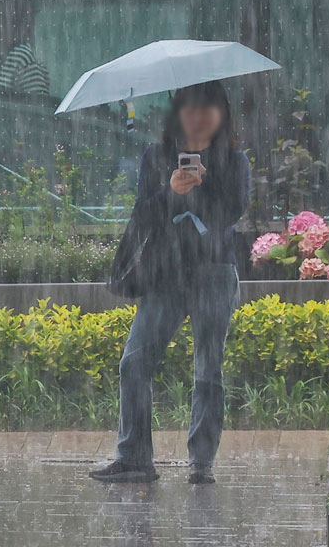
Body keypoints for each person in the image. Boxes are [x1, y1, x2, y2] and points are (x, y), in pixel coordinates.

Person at [89, 81, 250, 485]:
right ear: (177, 111)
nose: (200, 115)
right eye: (191, 107)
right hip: (166, 274)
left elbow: (231, 213)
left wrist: (207, 182)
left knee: (208, 371)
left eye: (209, 107)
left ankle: (201, 463)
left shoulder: (235, 161)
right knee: (135, 361)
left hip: (214, 272)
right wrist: (170, 192)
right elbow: (143, 214)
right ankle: (135, 457)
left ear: (222, 113)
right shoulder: (156, 158)